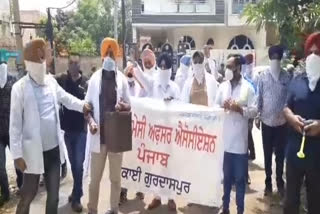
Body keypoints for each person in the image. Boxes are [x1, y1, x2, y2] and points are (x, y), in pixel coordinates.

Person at [9, 39, 91, 214]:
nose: (50, 53)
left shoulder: (51, 82)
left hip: (53, 151)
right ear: (38, 55)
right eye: (46, 50)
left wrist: (82, 105)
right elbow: (14, 126)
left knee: (53, 196)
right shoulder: (20, 88)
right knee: (28, 194)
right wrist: (16, 155)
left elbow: (67, 99)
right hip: (32, 154)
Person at [85, 37, 131, 214]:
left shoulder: (122, 80)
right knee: (94, 180)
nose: (110, 57)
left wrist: (123, 106)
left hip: (116, 138)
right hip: (99, 137)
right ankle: (92, 209)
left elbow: (129, 105)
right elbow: (86, 106)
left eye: (113, 53)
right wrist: (91, 122)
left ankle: (113, 208)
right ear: (103, 56)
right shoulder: (95, 79)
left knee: (115, 178)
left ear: (117, 56)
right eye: (107, 53)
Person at [132, 52, 179, 211]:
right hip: (155, 134)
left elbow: (182, 109)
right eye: (162, 66)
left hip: (171, 134)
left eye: (167, 66)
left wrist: (172, 104)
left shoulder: (174, 87)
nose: (164, 69)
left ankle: (171, 198)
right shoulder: (152, 84)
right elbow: (140, 76)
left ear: (171, 69)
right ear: (159, 67)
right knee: (156, 166)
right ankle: (157, 197)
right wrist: (134, 63)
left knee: (171, 166)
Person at [283, 32, 320, 214]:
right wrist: (291, 118)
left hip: (317, 157)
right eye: (310, 53)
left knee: (316, 202)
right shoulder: (297, 80)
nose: (314, 57)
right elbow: (286, 107)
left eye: (318, 53)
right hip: (295, 153)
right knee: (291, 201)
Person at [215, 54, 257, 214]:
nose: (227, 70)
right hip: (225, 143)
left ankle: (240, 210)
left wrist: (240, 109)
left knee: (240, 180)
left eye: (230, 67)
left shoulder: (248, 88)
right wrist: (223, 106)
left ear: (239, 68)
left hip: (240, 144)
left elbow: (254, 111)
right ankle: (225, 208)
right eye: (227, 66)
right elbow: (215, 105)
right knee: (226, 180)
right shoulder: (223, 86)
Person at [256, 45, 291, 197]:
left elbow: (289, 99)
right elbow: (259, 97)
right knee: (267, 153)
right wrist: (258, 116)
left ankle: (280, 181)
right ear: (270, 58)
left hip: (282, 122)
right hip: (266, 121)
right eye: (273, 57)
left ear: (281, 58)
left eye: (278, 57)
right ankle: (268, 182)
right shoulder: (263, 76)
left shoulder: (286, 77)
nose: (276, 60)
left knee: (280, 154)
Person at [55, 55, 88, 212]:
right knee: (73, 164)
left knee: (78, 164)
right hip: (67, 131)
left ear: (80, 64)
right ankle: (76, 190)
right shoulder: (61, 80)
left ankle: (77, 198)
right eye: (71, 63)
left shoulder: (86, 83)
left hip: (82, 131)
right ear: (67, 65)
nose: (74, 66)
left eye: (76, 63)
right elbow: (46, 80)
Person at [0, 62, 23, 206]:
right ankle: (5, 193)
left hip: (12, 129)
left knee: (17, 160)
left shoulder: (13, 81)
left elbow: (20, 103)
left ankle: (22, 186)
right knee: (0, 166)